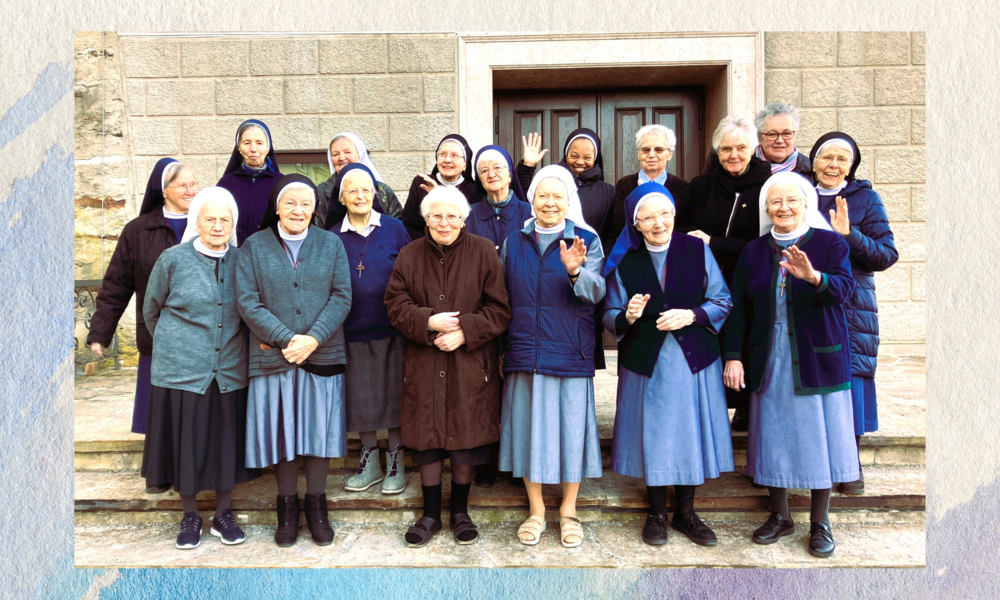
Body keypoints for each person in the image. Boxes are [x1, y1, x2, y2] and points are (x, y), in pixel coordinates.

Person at [721, 171, 859, 559]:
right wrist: (733, 355)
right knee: (773, 435)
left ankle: (820, 522)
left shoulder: (830, 244)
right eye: (775, 202)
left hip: (817, 354)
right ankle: (780, 516)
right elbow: (738, 310)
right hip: (770, 354)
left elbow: (844, 291)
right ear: (767, 208)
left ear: (805, 204)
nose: (783, 207)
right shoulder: (754, 251)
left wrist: (814, 277)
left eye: (791, 200)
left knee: (819, 438)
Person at [601, 181, 734, 547]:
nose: (658, 223)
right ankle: (657, 512)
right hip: (648, 361)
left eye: (664, 214)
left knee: (687, 432)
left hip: (693, 360)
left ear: (674, 215)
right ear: (636, 224)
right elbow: (609, 316)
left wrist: (691, 315)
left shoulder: (697, 249)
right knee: (655, 434)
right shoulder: (625, 261)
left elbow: (723, 300)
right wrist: (627, 314)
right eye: (648, 218)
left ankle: (686, 513)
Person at [383, 185, 511, 548]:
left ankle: (459, 512)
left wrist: (464, 333)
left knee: (465, 438)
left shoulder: (485, 252)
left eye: (452, 215)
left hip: (470, 362)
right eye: (436, 216)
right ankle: (430, 515)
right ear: (426, 219)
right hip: (423, 360)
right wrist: (429, 321)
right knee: (427, 439)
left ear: (463, 219)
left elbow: (500, 309)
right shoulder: (408, 255)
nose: (444, 222)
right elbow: (394, 305)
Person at [236, 174, 353, 548]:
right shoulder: (254, 247)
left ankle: (317, 508)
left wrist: (314, 338)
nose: (298, 210)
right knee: (282, 435)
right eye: (290, 203)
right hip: (275, 357)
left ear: (315, 208)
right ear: (276, 208)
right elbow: (248, 302)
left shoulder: (331, 244)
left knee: (318, 434)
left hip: (323, 354)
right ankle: (286, 509)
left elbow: (341, 296)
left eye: (305, 203)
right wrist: (289, 340)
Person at [141, 187, 260, 549]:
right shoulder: (173, 259)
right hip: (182, 369)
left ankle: (224, 515)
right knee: (187, 443)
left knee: (225, 443)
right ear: (197, 221)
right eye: (210, 218)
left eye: (225, 219)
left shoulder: (243, 260)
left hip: (228, 368)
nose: (218, 225)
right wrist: (180, 346)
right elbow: (152, 310)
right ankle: (190, 515)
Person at [498, 165, 605, 549]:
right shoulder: (514, 241)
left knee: (570, 434)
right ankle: (537, 510)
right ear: (532, 200)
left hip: (570, 351)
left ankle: (569, 511)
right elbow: (502, 297)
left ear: (568, 201)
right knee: (529, 433)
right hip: (525, 351)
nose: (549, 202)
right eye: (543, 195)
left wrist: (576, 271)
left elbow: (596, 293)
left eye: (557, 196)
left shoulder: (586, 239)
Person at [87, 159, 197, 465]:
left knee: (194, 409)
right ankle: (160, 469)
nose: (191, 191)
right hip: (157, 333)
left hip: (199, 336)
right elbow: (116, 285)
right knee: (159, 410)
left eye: (193, 184)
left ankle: (192, 466)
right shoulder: (138, 231)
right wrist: (100, 333)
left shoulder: (205, 223)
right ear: (163, 191)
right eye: (182, 185)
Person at [811, 132, 899, 494]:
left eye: (842, 159)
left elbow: (885, 254)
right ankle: (812, 461)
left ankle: (850, 465)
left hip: (852, 303)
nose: (833, 164)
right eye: (826, 157)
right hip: (806, 297)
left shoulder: (865, 198)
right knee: (811, 376)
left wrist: (849, 236)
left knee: (850, 379)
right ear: (813, 160)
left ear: (852, 165)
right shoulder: (799, 192)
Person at [676, 115, 772, 432]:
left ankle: (746, 408)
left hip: (750, 279)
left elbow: (766, 240)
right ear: (717, 152)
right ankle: (712, 409)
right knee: (710, 343)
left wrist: (715, 243)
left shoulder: (767, 185)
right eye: (726, 149)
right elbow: (673, 224)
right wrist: (697, 238)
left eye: (741, 148)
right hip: (705, 282)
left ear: (754, 148)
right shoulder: (701, 186)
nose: (733, 155)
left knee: (746, 344)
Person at [329, 163, 412, 495]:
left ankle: (396, 460)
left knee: (394, 399)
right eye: (352, 190)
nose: (360, 195)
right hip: (352, 329)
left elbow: (410, 271)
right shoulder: (332, 235)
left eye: (366, 189)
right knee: (360, 400)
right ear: (343, 198)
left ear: (376, 195)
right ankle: (369, 461)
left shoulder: (393, 228)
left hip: (393, 327)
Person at [611, 124, 689, 239]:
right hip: (634, 251)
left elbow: (682, 225)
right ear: (639, 154)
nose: (651, 154)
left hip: (669, 252)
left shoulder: (682, 187)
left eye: (659, 149)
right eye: (646, 149)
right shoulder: (624, 185)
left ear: (670, 154)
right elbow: (619, 224)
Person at [216, 119, 283, 245]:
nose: (253, 149)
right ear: (239, 148)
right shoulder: (225, 184)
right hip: (233, 255)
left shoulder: (280, 183)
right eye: (247, 143)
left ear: (268, 147)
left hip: (269, 256)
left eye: (259, 143)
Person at [316, 131, 402, 229]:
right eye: (335, 154)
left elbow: (397, 226)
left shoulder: (383, 191)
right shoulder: (321, 192)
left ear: (359, 155)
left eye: (347, 152)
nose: (341, 157)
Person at [400, 134, 478, 240]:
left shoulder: (474, 190)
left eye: (454, 155)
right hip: (426, 250)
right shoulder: (421, 183)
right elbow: (408, 225)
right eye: (443, 154)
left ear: (465, 163)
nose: (448, 160)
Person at [464, 145, 532, 254]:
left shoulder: (530, 213)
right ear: (480, 179)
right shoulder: (467, 215)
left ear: (510, 175)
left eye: (497, 168)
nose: (491, 174)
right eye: (485, 170)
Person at [754, 102, 813, 176]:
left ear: (795, 135)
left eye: (787, 133)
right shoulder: (744, 169)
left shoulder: (810, 170)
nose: (780, 140)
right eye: (772, 134)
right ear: (759, 138)